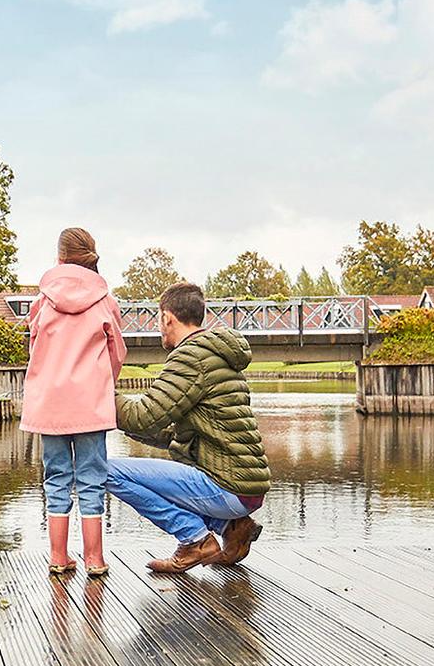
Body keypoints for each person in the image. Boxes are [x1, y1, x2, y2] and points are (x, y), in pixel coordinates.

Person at [108, 282, 270, 572]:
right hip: (246, 488)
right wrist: (127, 426)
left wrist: (97, 392)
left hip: (228, 487)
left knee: (102, 470)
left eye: (159, 320)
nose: (159, 328)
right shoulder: (215, 355)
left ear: (167, 317)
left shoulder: (190, 356)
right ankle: (232, 527)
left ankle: (194, 539)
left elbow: (143, 416)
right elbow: (172, 433)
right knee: (156, 477)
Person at [22, 227, 127, 577]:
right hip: (90, 406)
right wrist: (102, 383)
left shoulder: (42, 301)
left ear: (60, 257)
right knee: (92, 478)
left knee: (56, 477)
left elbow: (34, 348)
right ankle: (94, 558)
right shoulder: (105, 301)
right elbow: (117, 353)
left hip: (50, 404)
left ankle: (58, 556)